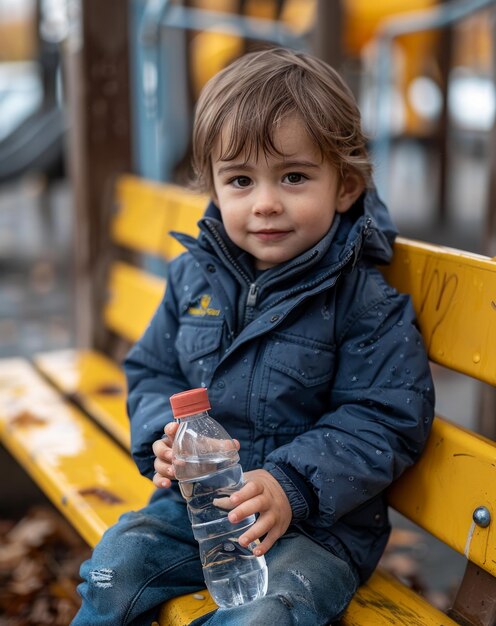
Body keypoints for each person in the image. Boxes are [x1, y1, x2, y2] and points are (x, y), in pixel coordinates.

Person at [72, 47, 435, 626]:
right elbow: (152, 371)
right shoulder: (194, 277)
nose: (265, 203)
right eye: (240, 180)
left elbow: (385, 416)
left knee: (267, 614)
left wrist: (290, 486)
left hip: (315, 531)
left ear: (344, 187)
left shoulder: (364, 301)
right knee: (114, 568)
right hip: (195, 510)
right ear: (215, 189)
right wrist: (161, 440)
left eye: (293, 177)